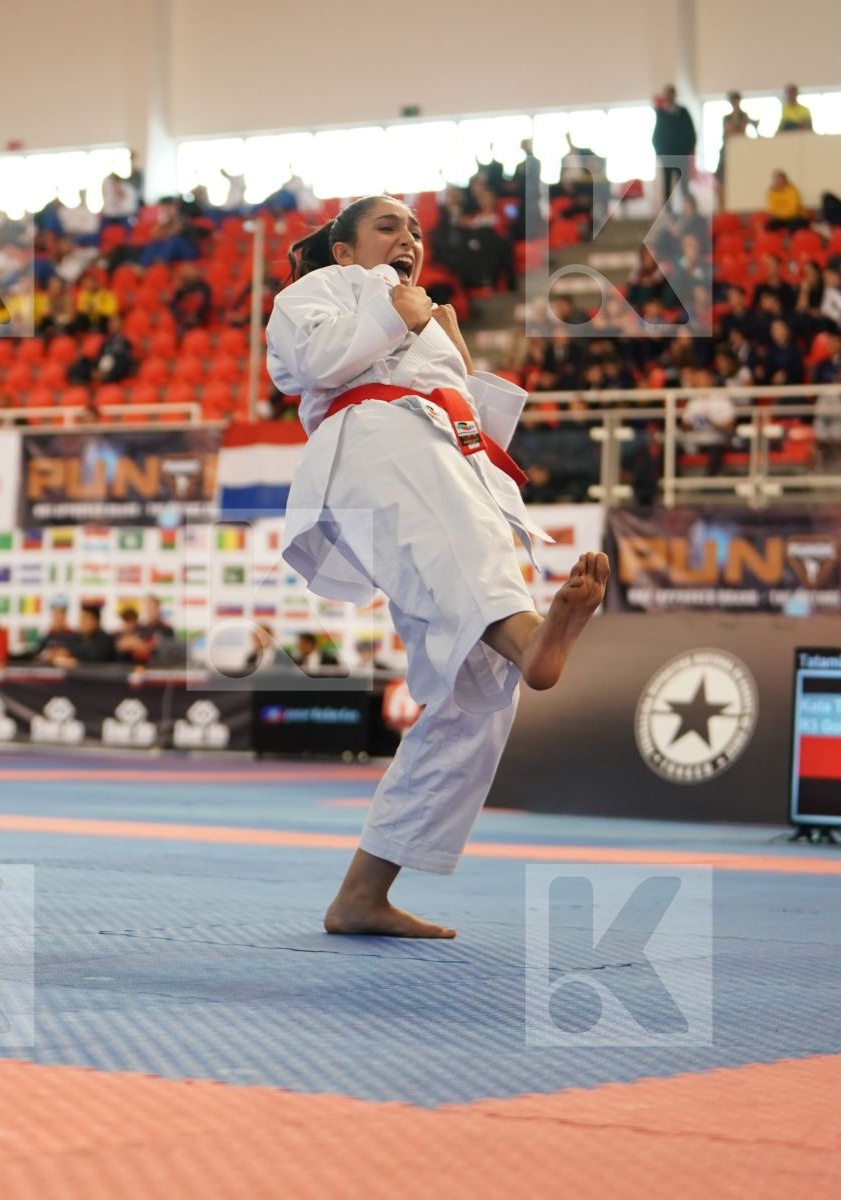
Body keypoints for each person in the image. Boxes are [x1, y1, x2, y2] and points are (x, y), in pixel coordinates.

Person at [266, 194, 607, 939]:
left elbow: (462, 419)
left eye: (416, 231)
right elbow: (311, 365)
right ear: (345, 250)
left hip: (445, 453)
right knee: (476, 572)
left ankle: (362, 893)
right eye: (388, 227)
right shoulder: (319, 291)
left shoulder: (424, 316)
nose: (409, 239)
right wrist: (402, 315)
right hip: (376, 440)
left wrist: (454, 351)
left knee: (476, 696)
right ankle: (529, 641)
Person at [651, 85, 697, 215]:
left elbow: (690, 133)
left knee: (684, 184)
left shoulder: (683, 112)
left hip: (682, 155)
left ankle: (687, 209)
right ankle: (668, 211)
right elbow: (656, 137)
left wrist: (689, 150)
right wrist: (660, 154)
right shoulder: (661, 114)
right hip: (667, 156)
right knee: (667, 184)